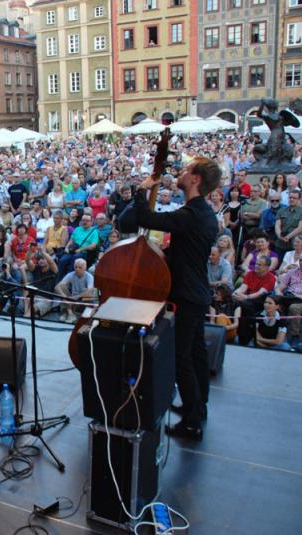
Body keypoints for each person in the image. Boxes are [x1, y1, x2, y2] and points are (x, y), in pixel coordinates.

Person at [127, 156, 221, 441]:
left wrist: (142, 190)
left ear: (195, 180)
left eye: (187, 170)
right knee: (196, 353)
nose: (180, 173)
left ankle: (192, 424)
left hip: (186, 294)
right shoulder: (203, 213)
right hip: (197, 291)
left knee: (182, 359)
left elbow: (144, 218)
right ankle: (198, 408)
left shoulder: (189, 215)